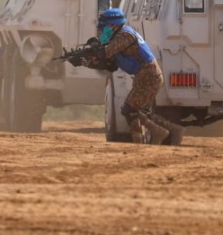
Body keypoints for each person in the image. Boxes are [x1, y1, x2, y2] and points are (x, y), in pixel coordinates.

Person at [75, 8, 184, 145]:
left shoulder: (124, 35)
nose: (104, 31)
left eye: (106, 27)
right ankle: (163, 134)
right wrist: (86, 62)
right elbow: (110, 65)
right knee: (137, 110)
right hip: (145, 76)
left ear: (114, 24)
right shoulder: (119, 37)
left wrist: (91, 52)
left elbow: (106, 53)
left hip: (148, 76)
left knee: (130, 109)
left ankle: (158, 132)